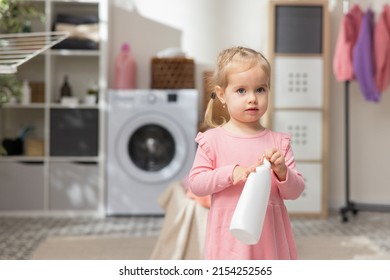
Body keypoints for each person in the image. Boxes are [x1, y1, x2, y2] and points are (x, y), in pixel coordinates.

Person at [188, 46, 305, 260]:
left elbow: (295, 191)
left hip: (269, 241)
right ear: (222, 95)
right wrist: (231, 173)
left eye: (260, 89)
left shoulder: (279, 142)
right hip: (227, 241)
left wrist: (282, 172)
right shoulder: (212, 141)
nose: (252, 98)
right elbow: (196, 184)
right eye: (241, 90)